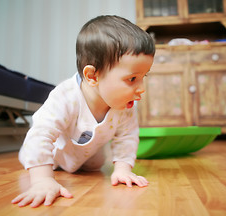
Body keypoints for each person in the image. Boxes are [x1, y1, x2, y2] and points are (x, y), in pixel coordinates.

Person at [11, 15, 155, 208]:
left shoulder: (124, 105)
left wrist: (122, 169)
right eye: (132, 79)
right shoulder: (66, 97)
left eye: (143, 77)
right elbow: (41, 134)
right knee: (41, 159)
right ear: (92, 76)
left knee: (95, 165)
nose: (141, 88)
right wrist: (42, 180)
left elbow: (127, 137)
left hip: (87, 160)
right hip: (52, 156)